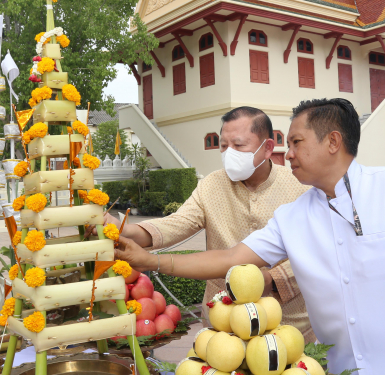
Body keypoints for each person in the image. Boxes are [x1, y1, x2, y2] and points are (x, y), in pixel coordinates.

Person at [116, 98, 385, 375]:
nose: (288, 153)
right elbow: (230, 258)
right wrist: (151, 261)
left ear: (333, 142)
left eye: (296, 142)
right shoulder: (293, 216)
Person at [104, 106, 315, 341]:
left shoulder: (300, 186)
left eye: (239, 145)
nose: (229, 153)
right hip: (223, 319)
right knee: (221, 361)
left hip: (287, 322)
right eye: (223, 146)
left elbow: (313, 253)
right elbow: (177, 224)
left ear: (267, 148)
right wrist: (123, 229)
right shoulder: (211, 184)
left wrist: (271, 280)